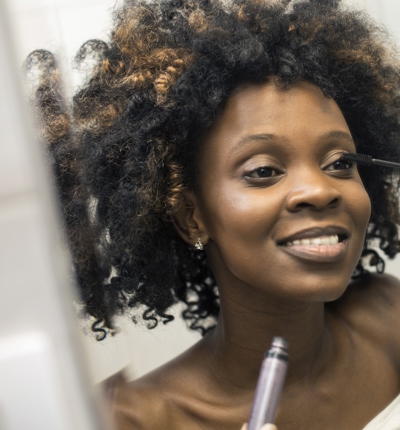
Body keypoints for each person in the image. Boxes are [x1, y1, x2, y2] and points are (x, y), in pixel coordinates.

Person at [27, 0, 400, 428]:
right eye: (263, 171)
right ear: (191, 216)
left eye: (339, 162)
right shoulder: (129, 419)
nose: (319, 190)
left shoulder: (387, 315)